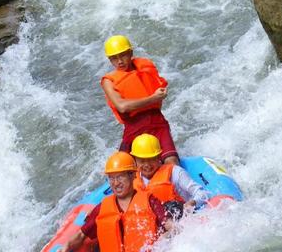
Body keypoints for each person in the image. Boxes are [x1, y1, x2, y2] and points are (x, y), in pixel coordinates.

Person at [61, 152, 172, 252]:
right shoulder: (102, 208)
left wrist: (161, 242)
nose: (115, 183)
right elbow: (81, 236)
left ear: (133, 175)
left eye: (119, 177)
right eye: (111, 178)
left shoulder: (150, 201)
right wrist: (66, 247)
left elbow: (170, 227)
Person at [101, 35, 179, 165]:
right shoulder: (108, 81)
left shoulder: (146, 67)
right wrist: (153, 98)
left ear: (130, 53)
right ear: (110, 60)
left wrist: (160, 94)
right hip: (133, 128)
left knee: (171, 161)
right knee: (122, 169)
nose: (119, 61)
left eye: (123, 55)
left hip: (157, 123)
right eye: (114, 58)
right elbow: (122, 106)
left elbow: (159, 88)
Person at [131, 133, 210, 215]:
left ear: (158, 157)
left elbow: (203, 194)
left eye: (151, 159)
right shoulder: (132, 180)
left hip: (180, 216)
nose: (147, 165)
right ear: (135, 161)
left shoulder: (175, 173)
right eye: (142, 161)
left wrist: (192, 203)